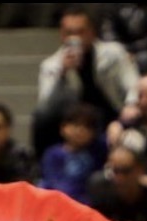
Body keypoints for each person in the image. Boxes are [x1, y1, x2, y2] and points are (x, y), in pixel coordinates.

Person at [32, 6, 136, 153]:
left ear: (92, 32)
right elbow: (46, 105)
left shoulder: (114, 53)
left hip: (113, 115)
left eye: (80, 32)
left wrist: (130, 107)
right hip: (76, 122)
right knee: (40, 117)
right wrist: (63, 73)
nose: (75, 38)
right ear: (61, 35)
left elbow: (134, 85)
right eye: (69, 33)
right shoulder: (51, 65)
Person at [37, 103, 102, 204]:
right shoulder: (53, 154)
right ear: (63, 128)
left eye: (86, 126)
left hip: (85, 205)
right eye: (76, 125)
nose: (80, 130)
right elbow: (51, 181)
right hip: (57, 201)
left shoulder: (96, 153)